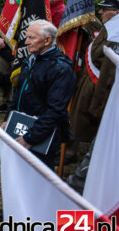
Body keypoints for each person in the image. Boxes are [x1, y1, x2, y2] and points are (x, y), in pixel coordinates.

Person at [67, 0, 119, 193]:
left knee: (98, 140)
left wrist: (98, 106)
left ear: (117, 13)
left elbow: (109, 72)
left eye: (105, 9)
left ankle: (78, 184)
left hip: (101, 93)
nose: (100, 12)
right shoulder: (111, 29)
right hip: (91, 86)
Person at [6, 20, 76, 167]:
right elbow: (19, 93)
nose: (26, 42)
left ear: (47, 40)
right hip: (21, 128)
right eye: (27, 37)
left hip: (42, 138)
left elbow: (55, 110)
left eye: (31, 38)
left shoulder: (61, 69)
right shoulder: (31, 60)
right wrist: (9, 119)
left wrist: (30, 138)